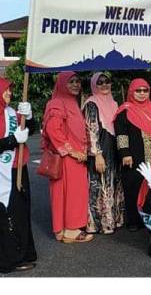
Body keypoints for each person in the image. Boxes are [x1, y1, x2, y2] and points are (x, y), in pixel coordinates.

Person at [41, 71, 93, 243]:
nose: (76, 84)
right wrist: (71, 151)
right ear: (62, 83)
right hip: (67, 158)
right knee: (71, 193)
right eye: (71, 82)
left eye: (78, 81)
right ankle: (70, 230)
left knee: (72, 193)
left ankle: (65, 228)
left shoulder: (71, 102)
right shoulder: (57, 103)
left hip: (76, 157)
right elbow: (52, 129)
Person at [114, 78, 151, 231]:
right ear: (131, 92)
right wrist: (125, 154)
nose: (142, 93)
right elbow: (121, 135)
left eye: (145, 90)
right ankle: (134, 221)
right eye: (138, 91)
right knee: (134, 187)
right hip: (134, 156)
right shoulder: (125, 111)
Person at [0, 78, 37, 273]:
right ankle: (10, 258)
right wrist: (11, 141)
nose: (10, 94)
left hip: (18, 169)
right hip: (2, 172)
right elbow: (12, 140)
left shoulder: (10, 112)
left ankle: (23, 252)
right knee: (8, 215)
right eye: (6, 90)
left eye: (11, 90)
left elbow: (31, 130)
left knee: (21, 213)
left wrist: (29, 117)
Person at [82, 72, 124, 235]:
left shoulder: (113, 103)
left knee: (112, 183)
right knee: (100, 186)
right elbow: (90, 130)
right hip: (100, 150)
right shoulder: (92, 103)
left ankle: (113, 220)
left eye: (107, 81)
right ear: (94, 85)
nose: (104, 85)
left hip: (112, 148)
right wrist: (97, 154)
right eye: (100, 83)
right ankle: (99, 223)